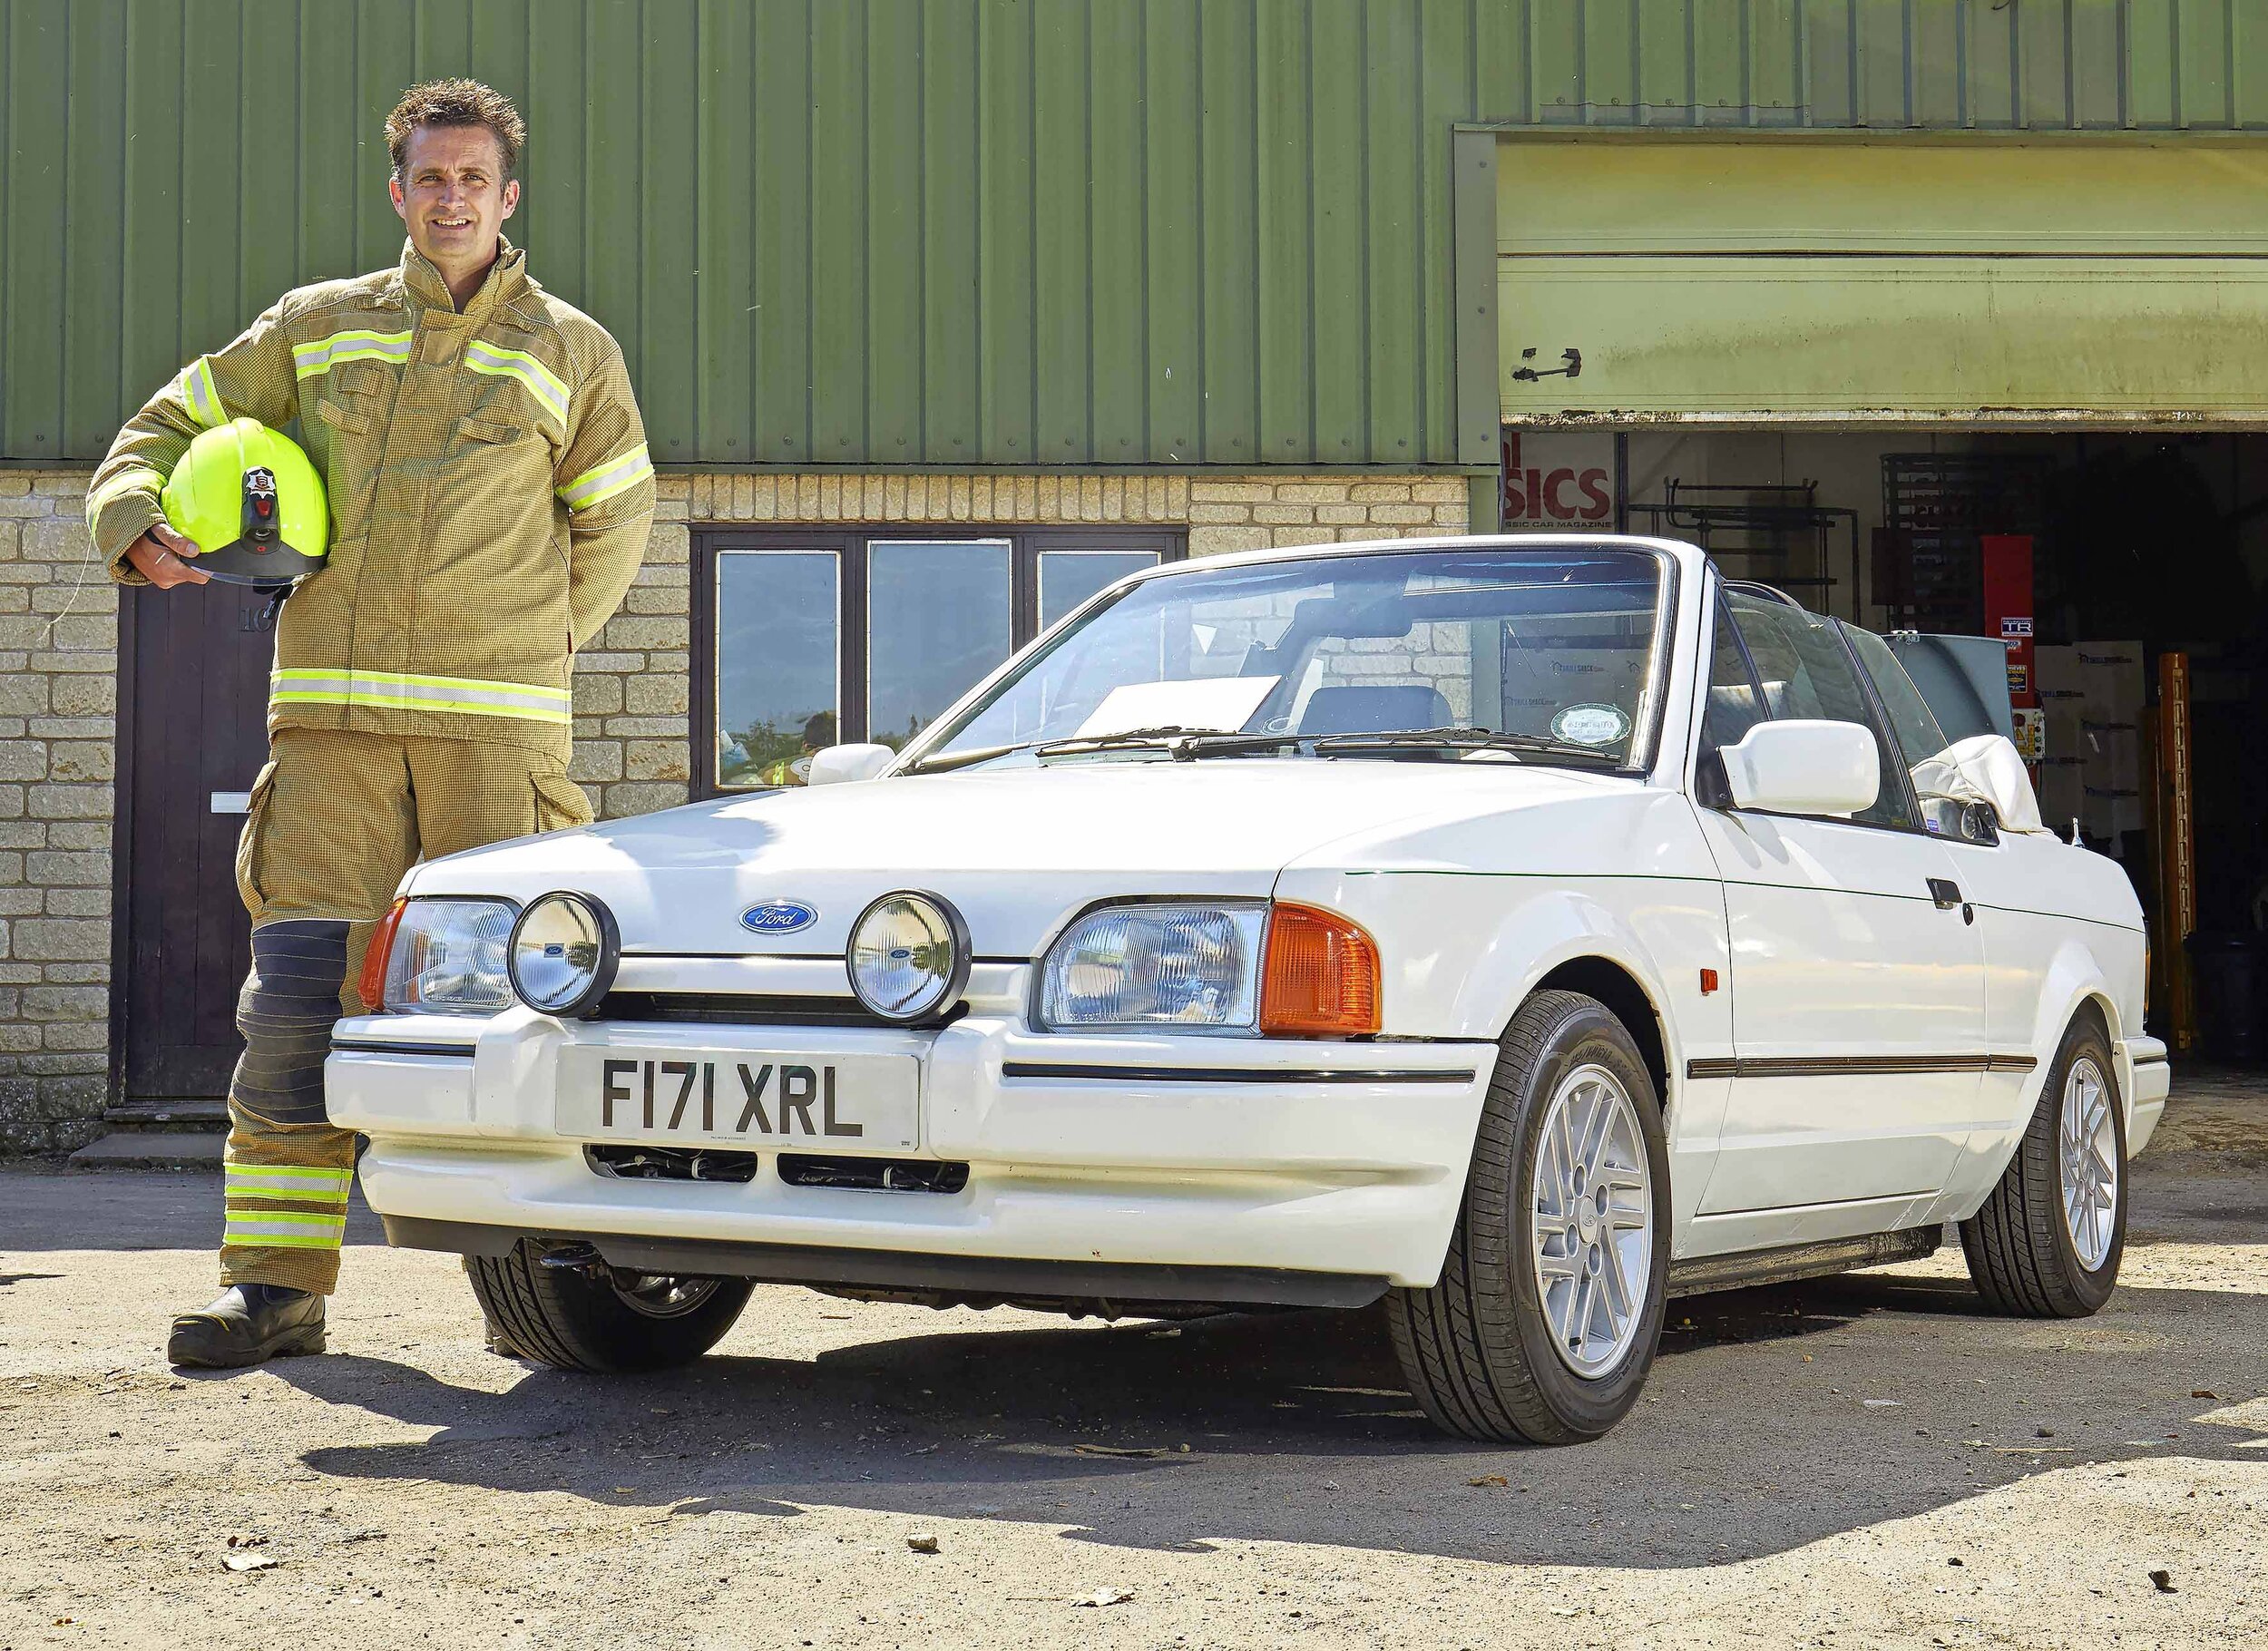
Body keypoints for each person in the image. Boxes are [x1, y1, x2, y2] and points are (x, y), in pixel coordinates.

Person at [84, 80, 656, 1368]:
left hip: (495, 749)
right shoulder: (318, 327)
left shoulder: (574, 351)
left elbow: (618, 518)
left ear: (510, 199)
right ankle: (275, 1290)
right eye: (430, 178)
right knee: (294, 1006)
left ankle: (552, 1283)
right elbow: (164, 425)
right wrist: (135, 520)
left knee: (521, 1017)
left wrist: (542, 641)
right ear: (399, 192)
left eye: (475, 179)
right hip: (334, 733)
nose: (451, 198)